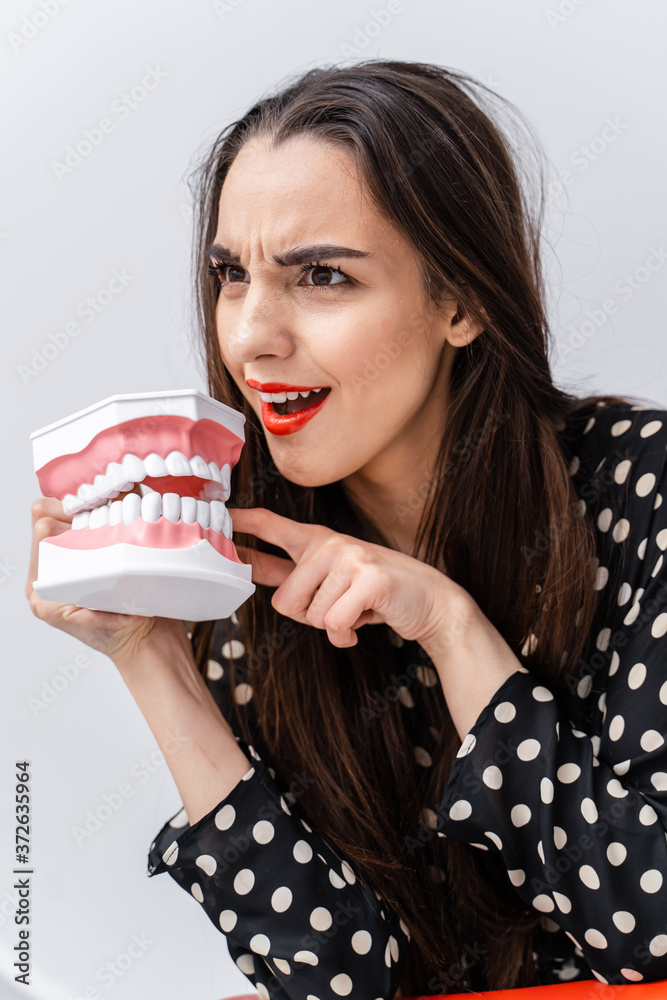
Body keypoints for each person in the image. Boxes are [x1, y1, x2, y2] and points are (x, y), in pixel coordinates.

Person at [27, 60, 667, 998]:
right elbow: (337, 982)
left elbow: (647, 932)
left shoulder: (641, 487)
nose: (249, 336)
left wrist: (451, 630)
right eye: (230, 274)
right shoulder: (250, 556)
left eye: (322, 276)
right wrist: (147, 656)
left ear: (462, 301)